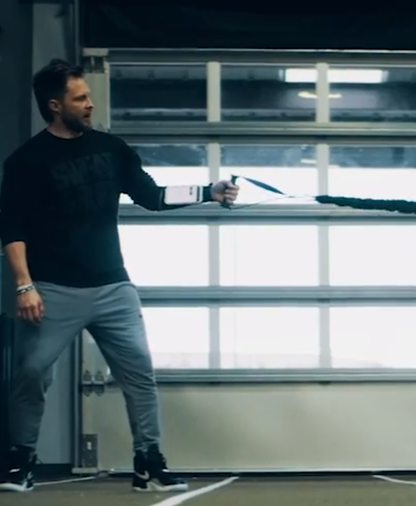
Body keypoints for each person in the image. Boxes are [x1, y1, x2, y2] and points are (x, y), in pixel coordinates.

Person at [0, 59, 240, 493]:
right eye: (80, 98)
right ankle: (22, 460)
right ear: (55, 105)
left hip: (113, 287)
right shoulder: (26, 162)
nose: (90, 104)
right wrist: (24, 285)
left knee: (139, 375)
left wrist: (210, 191)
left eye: (88, 96)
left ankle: (148, 461)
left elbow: (152, 195)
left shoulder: (112, 150)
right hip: (53, 290)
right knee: (31, 373)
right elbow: (11, 228)